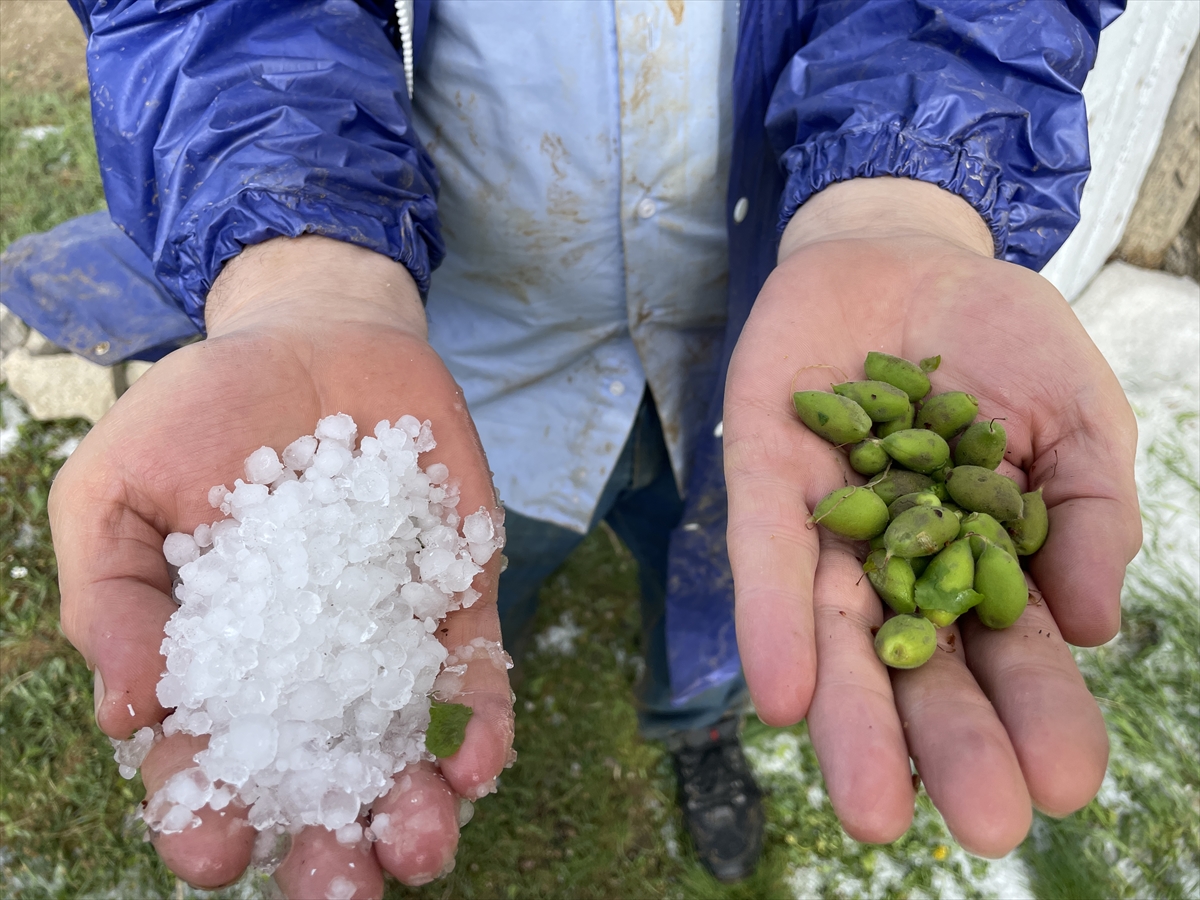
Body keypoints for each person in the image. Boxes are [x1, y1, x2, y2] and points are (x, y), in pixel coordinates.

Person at [4, 0, 1139, 895]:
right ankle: (491, 680)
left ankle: (696, 728)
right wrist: (296, 257)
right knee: (496, 576)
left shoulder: (862, 436)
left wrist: (913, 189)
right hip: (468, 365)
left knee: (730, 595)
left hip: (752, 345)